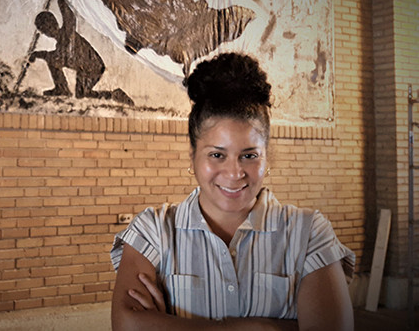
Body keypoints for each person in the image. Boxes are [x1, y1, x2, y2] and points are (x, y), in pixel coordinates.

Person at [110, 52, 355, 330]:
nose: (234, 172)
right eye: (217, 155)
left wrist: (169, 324)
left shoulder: (309, 233)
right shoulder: (152, 230)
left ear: (267, 158)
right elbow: (127, 325)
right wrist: (262, 327)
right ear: (192, 157)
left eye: (249, 156)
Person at [29, 0, 133, 105]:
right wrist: (37, 54)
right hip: (84, 69)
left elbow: (69, 17)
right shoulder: (60, 44)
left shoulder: (67, 33)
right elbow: (57, 56)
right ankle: (112, 95)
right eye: (44, 30)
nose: (48, 32)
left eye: (48, 27)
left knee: (53, 61)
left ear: (54, 23)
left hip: (93, 66)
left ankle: (63, 89)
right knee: (82, 94)